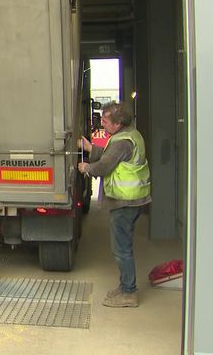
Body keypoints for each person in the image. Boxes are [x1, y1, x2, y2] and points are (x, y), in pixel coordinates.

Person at [78, 101, 151, 308]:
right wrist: (90, 147)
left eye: (105, 120)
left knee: (121, 249)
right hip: (132, 199)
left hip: (125, 202)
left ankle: (129, 293)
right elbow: (111, 155)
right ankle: (125, 286)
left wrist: (86, 168)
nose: (101, 123)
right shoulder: (128, 136)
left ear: (118, 123)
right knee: (123, 246)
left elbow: (104, 165)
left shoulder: (122, 142)